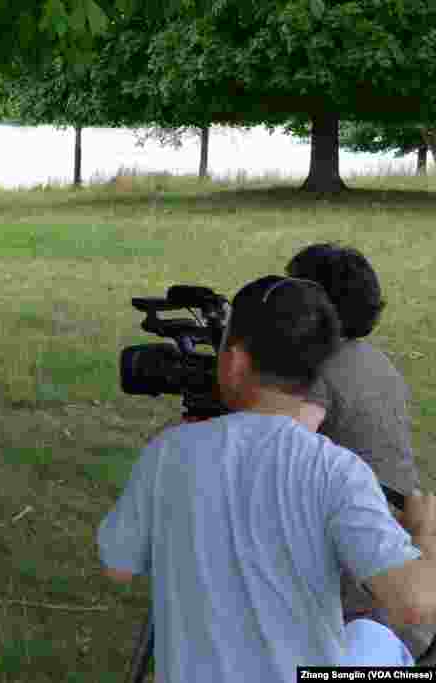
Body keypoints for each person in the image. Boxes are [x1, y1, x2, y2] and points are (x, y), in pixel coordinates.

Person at [98, 274, 436, 681]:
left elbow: (118, 566)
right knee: (376, 641)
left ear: (235, 361)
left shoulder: (168, 452)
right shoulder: (338, 472)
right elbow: (412, 604)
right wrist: (424, 537)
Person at [287, 243, 433, 659]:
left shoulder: (319, 373)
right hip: (398, 537)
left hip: (355, 569)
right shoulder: (379, 363)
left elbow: (283, 448)